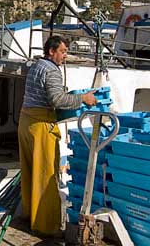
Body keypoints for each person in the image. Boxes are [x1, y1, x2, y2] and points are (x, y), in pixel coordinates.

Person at [18, 35, 97, 236]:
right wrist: (83, 98)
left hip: (26, 122)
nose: (65, 55)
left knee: (30, 174)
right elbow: (58, 99)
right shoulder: (52, 70)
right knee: (46, 176)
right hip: (41, 126)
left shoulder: (36, 66)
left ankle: (30, 216)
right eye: (62, 51)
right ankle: (45, 226)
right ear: (51, 51)